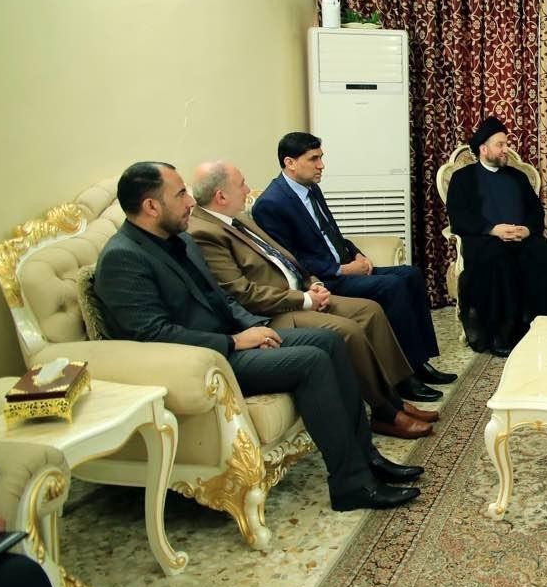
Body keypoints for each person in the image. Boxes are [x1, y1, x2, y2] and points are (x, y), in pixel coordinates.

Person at [94, 162, 421, 511]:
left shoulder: (181, 240)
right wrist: (235, 342)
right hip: (204, 363)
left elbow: (222, 299)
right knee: (312, 361)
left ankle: (367, 458)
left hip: (233, 341)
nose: (191, 201)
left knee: (330, 340)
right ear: (151, 206)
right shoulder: (123, 258)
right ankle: (351, 485)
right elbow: (153, 335)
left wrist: (253, 327)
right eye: (181, 194)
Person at [188, 160, 440, 440]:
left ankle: (396, 396)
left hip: (303, 290)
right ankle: (386, 413)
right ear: (221, 196)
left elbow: (284, 257)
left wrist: (313, 283)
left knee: (370, 311)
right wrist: (304, 300)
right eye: (241, 184)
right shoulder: (204, 233)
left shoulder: (240, 219)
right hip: (275, 312)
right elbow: (243, 293)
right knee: (348, 331)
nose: (248, 190)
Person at [250, 132, 451, 392]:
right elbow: (291, 259)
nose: (321, 165)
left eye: (321, 157)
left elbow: (332, 233)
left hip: (347, 266)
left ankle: (420, 362)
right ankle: (403, 378)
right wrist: (341, 269)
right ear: (290, 163)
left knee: (411, 274)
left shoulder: (311, 188)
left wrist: (357, 254)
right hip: (324, 280)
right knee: (392, 287)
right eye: (313, 159)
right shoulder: (271, 204)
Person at [445, 116, 547, 356]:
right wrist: (493, 230)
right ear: (483, 149)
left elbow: (536, 211)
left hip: (523, 239)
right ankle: (502, 336)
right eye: (500, 145)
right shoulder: (463, 179)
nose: (506, 149)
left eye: (506, 144)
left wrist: (527, 229)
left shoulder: (518, 177)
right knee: (499, 262)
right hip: (485, 241)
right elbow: (459, 216)